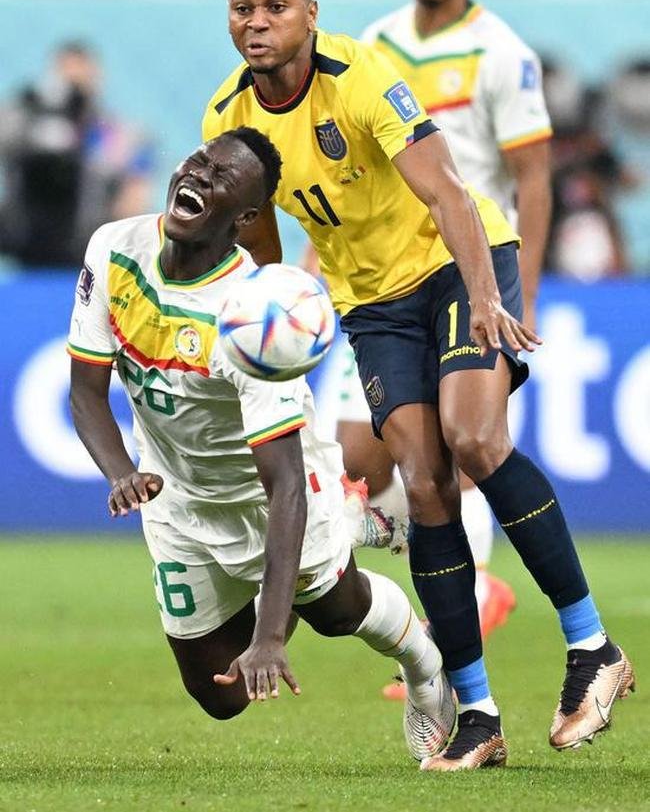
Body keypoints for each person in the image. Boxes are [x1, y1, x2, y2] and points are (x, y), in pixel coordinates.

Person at [201, 0, 634, 770]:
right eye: (242, 7)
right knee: (425, 484)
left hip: (456, 265)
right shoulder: (227, 116)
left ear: (311, 13)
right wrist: (269, 339)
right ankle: (478, 713)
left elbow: (448, 192)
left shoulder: (360, 73)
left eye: (276, 6)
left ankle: (592, 647)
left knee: (474, 439)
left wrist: (485, 296)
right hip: (371, 305)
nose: (257, 22)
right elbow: (260, 250)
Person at [67, 129, 455, 764]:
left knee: (336, 612)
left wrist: (271, 636)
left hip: (266, 496)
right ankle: (343, 530)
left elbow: (285, 485)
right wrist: (119, 473)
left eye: (221, 176)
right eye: (198, 161)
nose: (199, 174)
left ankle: (427, 665)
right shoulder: (113, 249)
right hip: (177, 500)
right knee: (220, 695)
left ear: (246, 219)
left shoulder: (256, 319)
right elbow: (85, 391)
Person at [335, 0, 555, 679]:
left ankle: (462, 617)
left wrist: (519, 294)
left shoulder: (501, 53)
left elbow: (533, 180)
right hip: (385, 277)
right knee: (362, 457)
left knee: (461, 447)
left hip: (470, 272)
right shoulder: (376, 44)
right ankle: (463, 585)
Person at [0, 41, 154, 267]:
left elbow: (134, 204)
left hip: (86, 253)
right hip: (24, 248)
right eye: (66, 77)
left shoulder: (119, 136)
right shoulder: (23, 124)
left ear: (96, 77)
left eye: (80, 78)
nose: (73, 87)